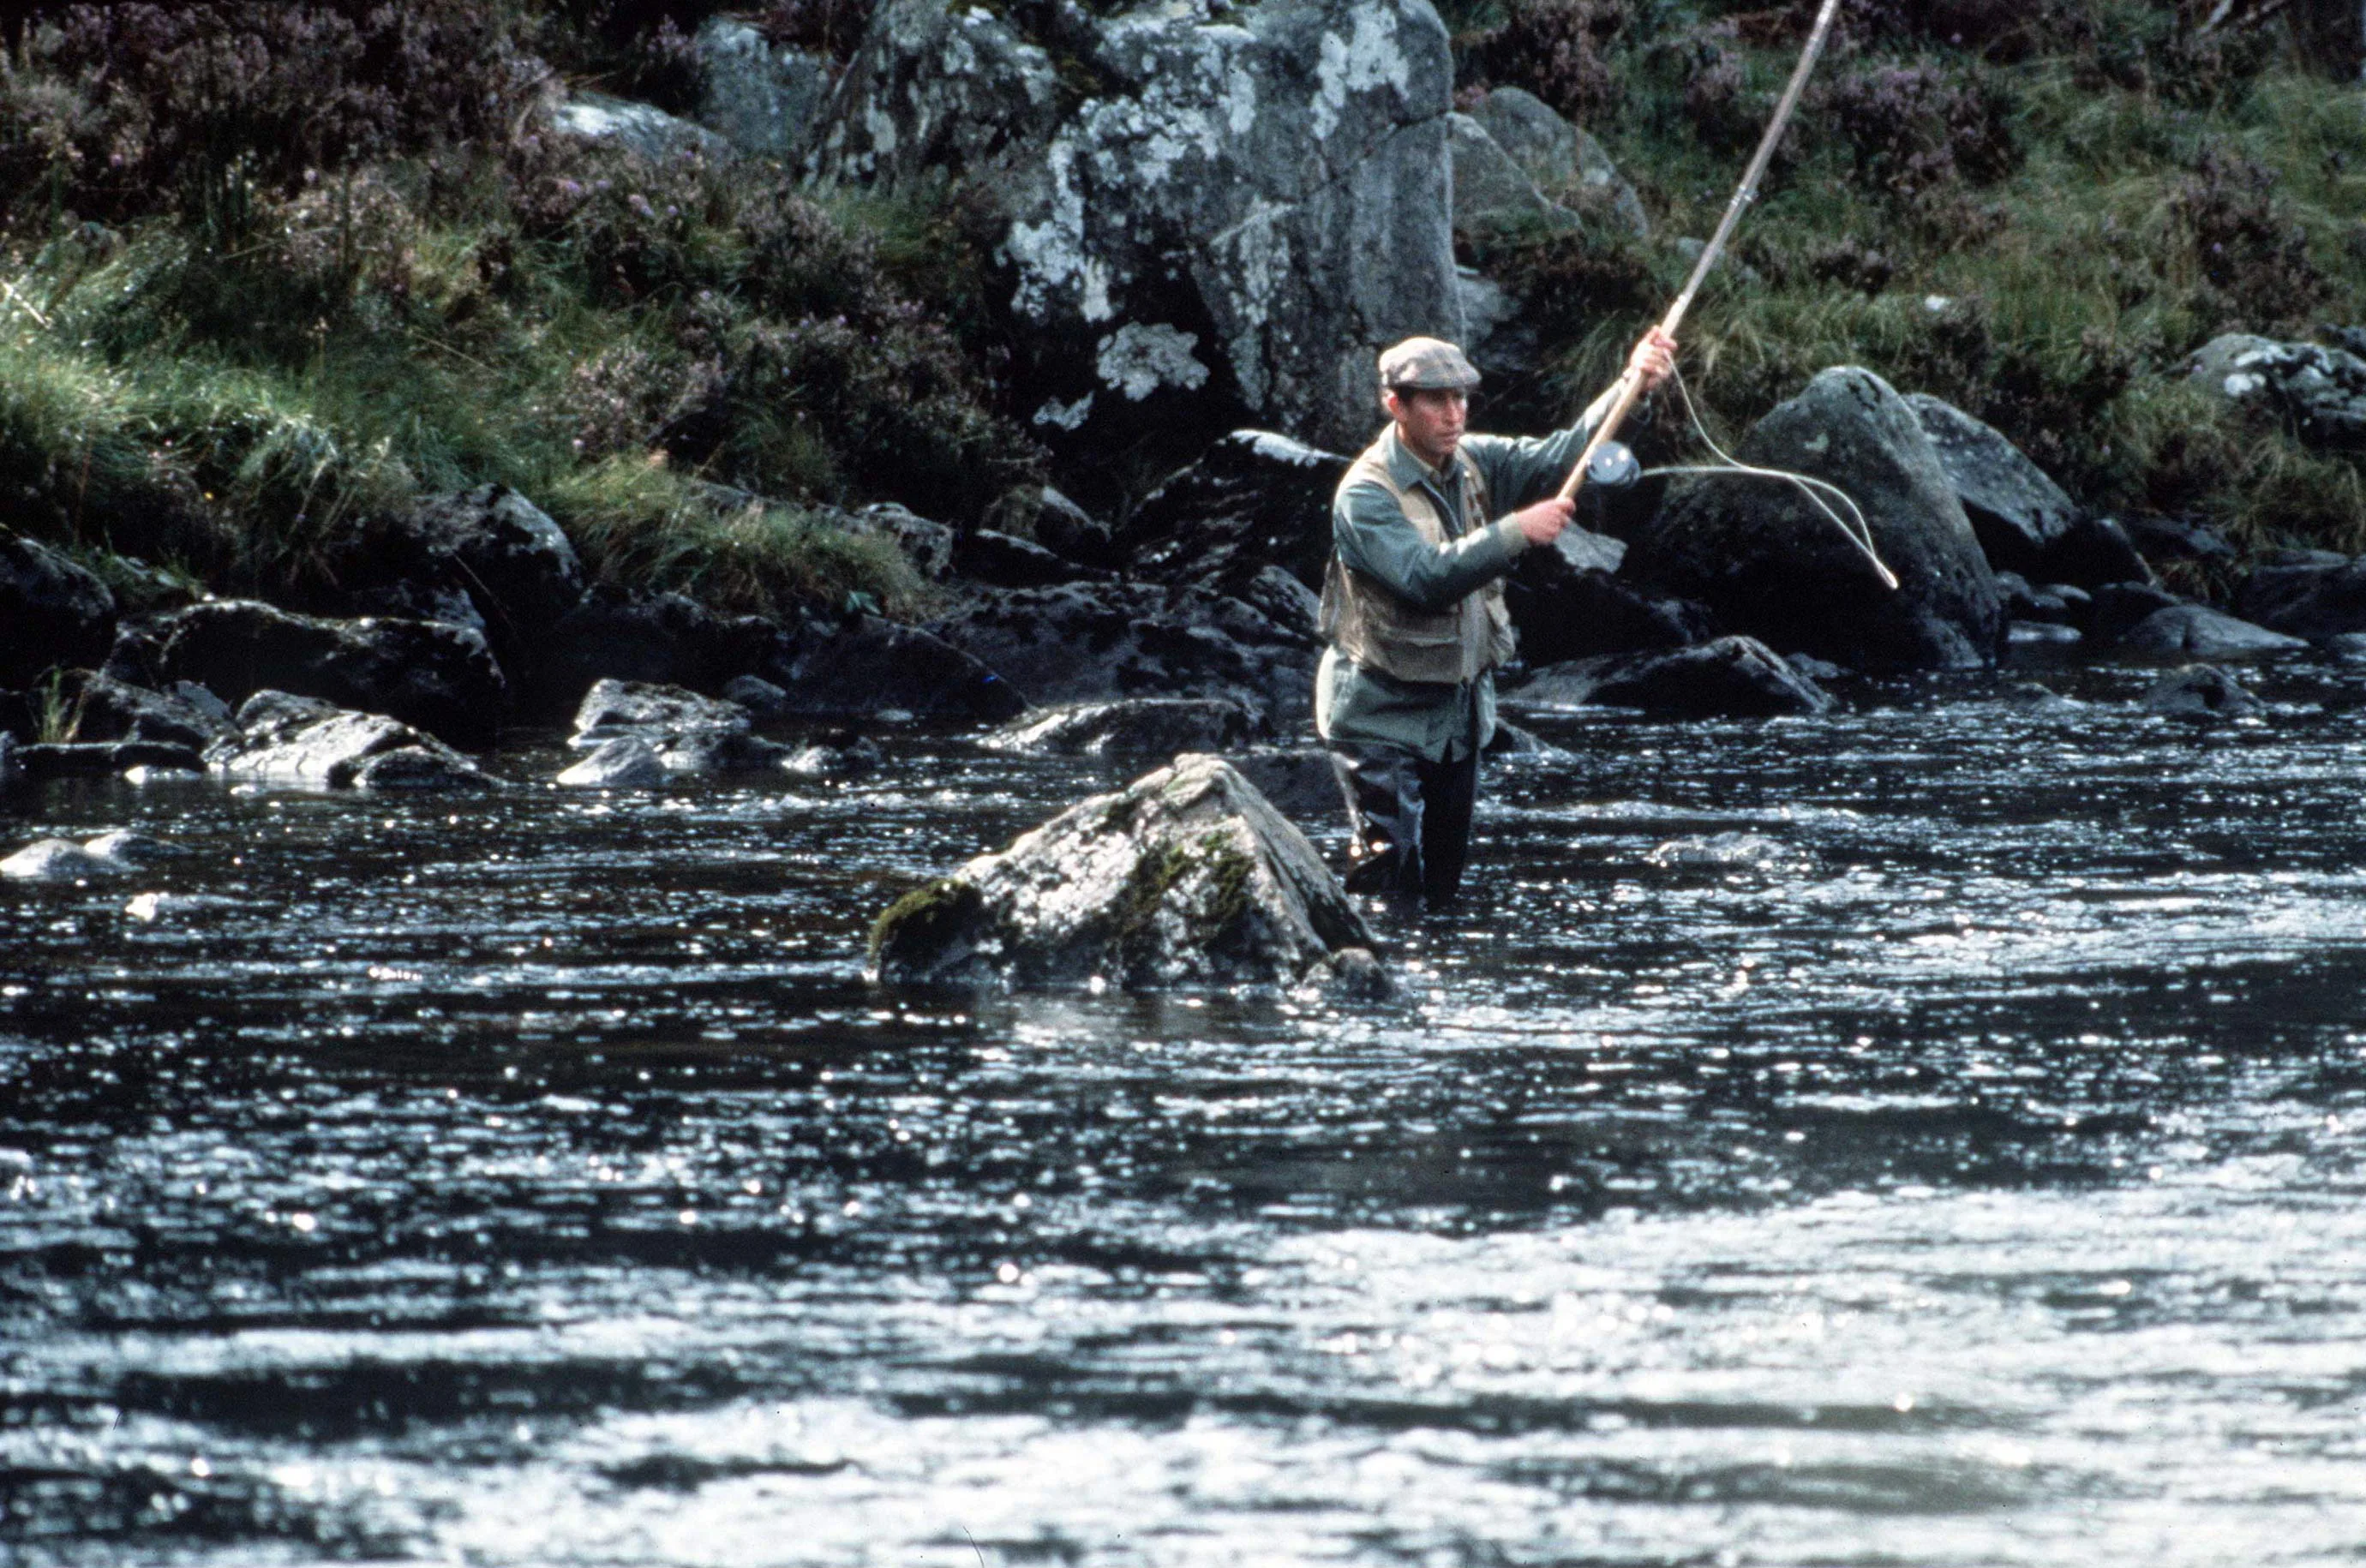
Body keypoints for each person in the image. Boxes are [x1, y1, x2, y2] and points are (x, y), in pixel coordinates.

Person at [1317, 326, 1678, 907]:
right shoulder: (1364, 494)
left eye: (1460, 397)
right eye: (1435, 400)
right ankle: (1365, 990)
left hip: (1455, 722)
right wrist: (1516, 530)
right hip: (1379, 723)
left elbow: (1565, 455)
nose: (1453, 412)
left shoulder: (1474, 461)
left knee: (1442, 892)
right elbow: (1423, 577)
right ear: (1395, 406)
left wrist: (1630, 386)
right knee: (1388, 889)